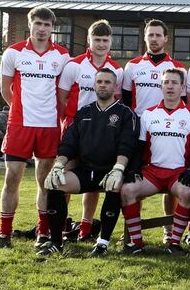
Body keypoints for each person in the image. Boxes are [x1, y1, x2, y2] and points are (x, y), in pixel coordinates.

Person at [0, 6, 69, 249]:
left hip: (48, 126)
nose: (43, 29)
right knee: (12, 177)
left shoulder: (63, 56)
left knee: (44, 182)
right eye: (39, 24)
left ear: (52, 28)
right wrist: (21, 111)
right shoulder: (13, 53)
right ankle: (5, 234)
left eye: (47, 25)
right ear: (30, 25)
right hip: (20, 125)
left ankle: (42, 234)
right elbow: (5, 90)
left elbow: (64, 92)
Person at [37, 69, 138, 257]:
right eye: (99, 81)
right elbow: (69, 143)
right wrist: (59, 165)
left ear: (115, 86)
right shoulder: (84, 112)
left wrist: (118, 168)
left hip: (111, 171)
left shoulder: (126, 113)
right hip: (85, 171)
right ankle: (56, 242)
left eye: (107, 82)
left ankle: (102, 243)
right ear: (94, 85)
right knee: (54, 183)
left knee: (115, 186)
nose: (103, 85)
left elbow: (128, 144)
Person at [58, 19, 125, 242]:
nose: (101, 44)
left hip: (102, 133)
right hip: (76, 130)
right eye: (97, 39)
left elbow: (118, 101)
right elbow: (62, 98)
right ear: (89, 40)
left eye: (105, 40)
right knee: (64, 177)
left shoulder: (117, 69)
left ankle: (86, 227)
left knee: (94, 180)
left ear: (111, 42)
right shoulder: (74, 65)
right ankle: (60, 225)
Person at [120, 69, 190, 255]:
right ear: (161, 87)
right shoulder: (148, 114)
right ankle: (137, 243)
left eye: (174, 83)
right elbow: (140, 146)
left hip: (177, 172)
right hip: (153, 172)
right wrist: (133, 168)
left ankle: (174, 243)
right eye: (166, 82)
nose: (170, 86)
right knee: (127, 190)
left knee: (187, 192)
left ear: (182, 88)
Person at [121, 18, 186, 244]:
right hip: (140, 133)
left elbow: (182, 103)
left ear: (166, 38)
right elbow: (127, 102)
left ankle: (169, 231)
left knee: (170, 183)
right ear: (145, 37)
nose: (155, 39)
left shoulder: (177, 69)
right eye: (151, 35)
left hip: (167, 133)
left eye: (159, 35)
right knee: (135, 177)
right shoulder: (133, 66)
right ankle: (132, 232)